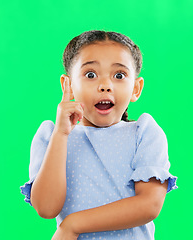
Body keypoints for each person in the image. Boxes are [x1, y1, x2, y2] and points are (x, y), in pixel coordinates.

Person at [20, 30, 177, 240]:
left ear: (136, 89)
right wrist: (61, 133)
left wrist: (73, 225)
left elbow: (149, 205)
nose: (105, 86)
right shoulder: (51, 135)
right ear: (68, 85)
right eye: (90, 74)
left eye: (119, 75)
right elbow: (46, 208)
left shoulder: (144, 132)